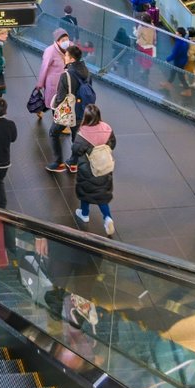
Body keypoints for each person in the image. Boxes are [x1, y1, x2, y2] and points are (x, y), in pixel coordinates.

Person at [71, 104, 117, 236]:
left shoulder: (83, 133)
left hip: (88, 169)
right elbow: (113, 144)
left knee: (85, 191)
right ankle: (107, 217)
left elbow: (76, 150)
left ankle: (84, 214)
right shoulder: (107, 128)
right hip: (104, 166)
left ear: (86, 117)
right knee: (101, 194)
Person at [46, 45, 92, 173]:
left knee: (53, 132)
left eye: (66, 55)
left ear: (71, 59)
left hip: (68, 111)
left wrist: (55, 107)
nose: (64, 57)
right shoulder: (87, 71)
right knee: (75, 137)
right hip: (82, 110)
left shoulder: (66, 75)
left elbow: (60, 97)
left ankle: (58, 163)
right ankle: (73, 163)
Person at [36, 29, 70, 118]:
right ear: (57, 41)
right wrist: (40, 83)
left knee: (55, 102)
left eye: (67, 39)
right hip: (54, 83)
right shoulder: (50, 51)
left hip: (65, 82)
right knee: (55, 102)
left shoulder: (70, 48)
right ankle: (57, 122)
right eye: (63, 40)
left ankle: (40, 109)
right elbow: (44, 68)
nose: (66, 42)